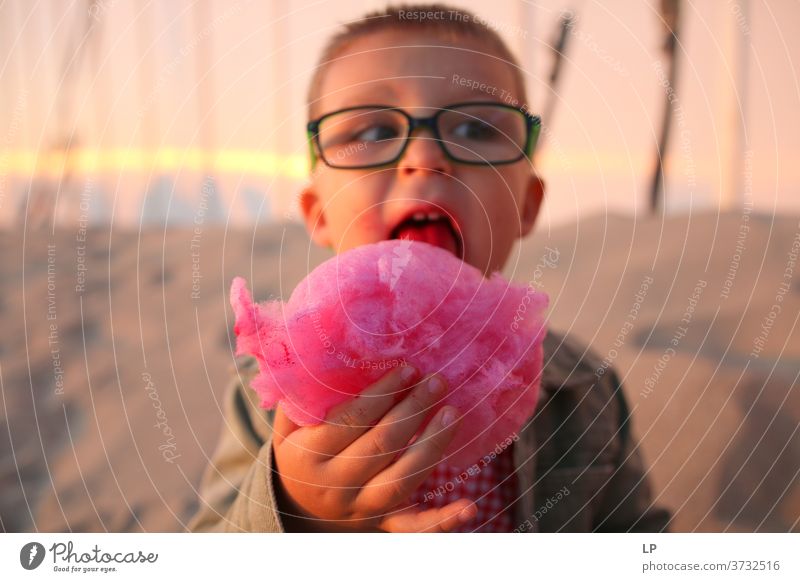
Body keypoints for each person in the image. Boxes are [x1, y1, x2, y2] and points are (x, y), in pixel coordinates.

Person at [189, 3, 670, 533]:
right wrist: (303, 508)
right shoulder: (280, 394)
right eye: (371, 133)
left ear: (526, 206)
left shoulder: (585, 391)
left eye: (475, 127)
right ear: (319, 214)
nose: (425, 155)